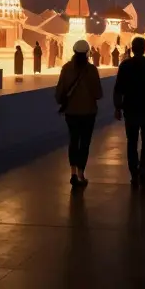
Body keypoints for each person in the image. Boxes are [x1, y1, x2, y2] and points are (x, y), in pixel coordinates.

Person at [114, 37, 145, 187]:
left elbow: (118, 88)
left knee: (132, 142)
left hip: (130, 109)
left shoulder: (125, 65)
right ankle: (143, 170)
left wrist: (117, 107)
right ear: (144, 48)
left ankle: (133, 173)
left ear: (132, 48)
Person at [55, 39, 103, 187]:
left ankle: (73, 172)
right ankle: (82, 173)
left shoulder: (66, 68)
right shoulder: (92, 70)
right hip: (88, 112)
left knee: (73, 140)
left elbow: (59, 92)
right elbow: (98, 94)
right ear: (88, 53)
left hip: (71, 112)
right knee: (85, 142)